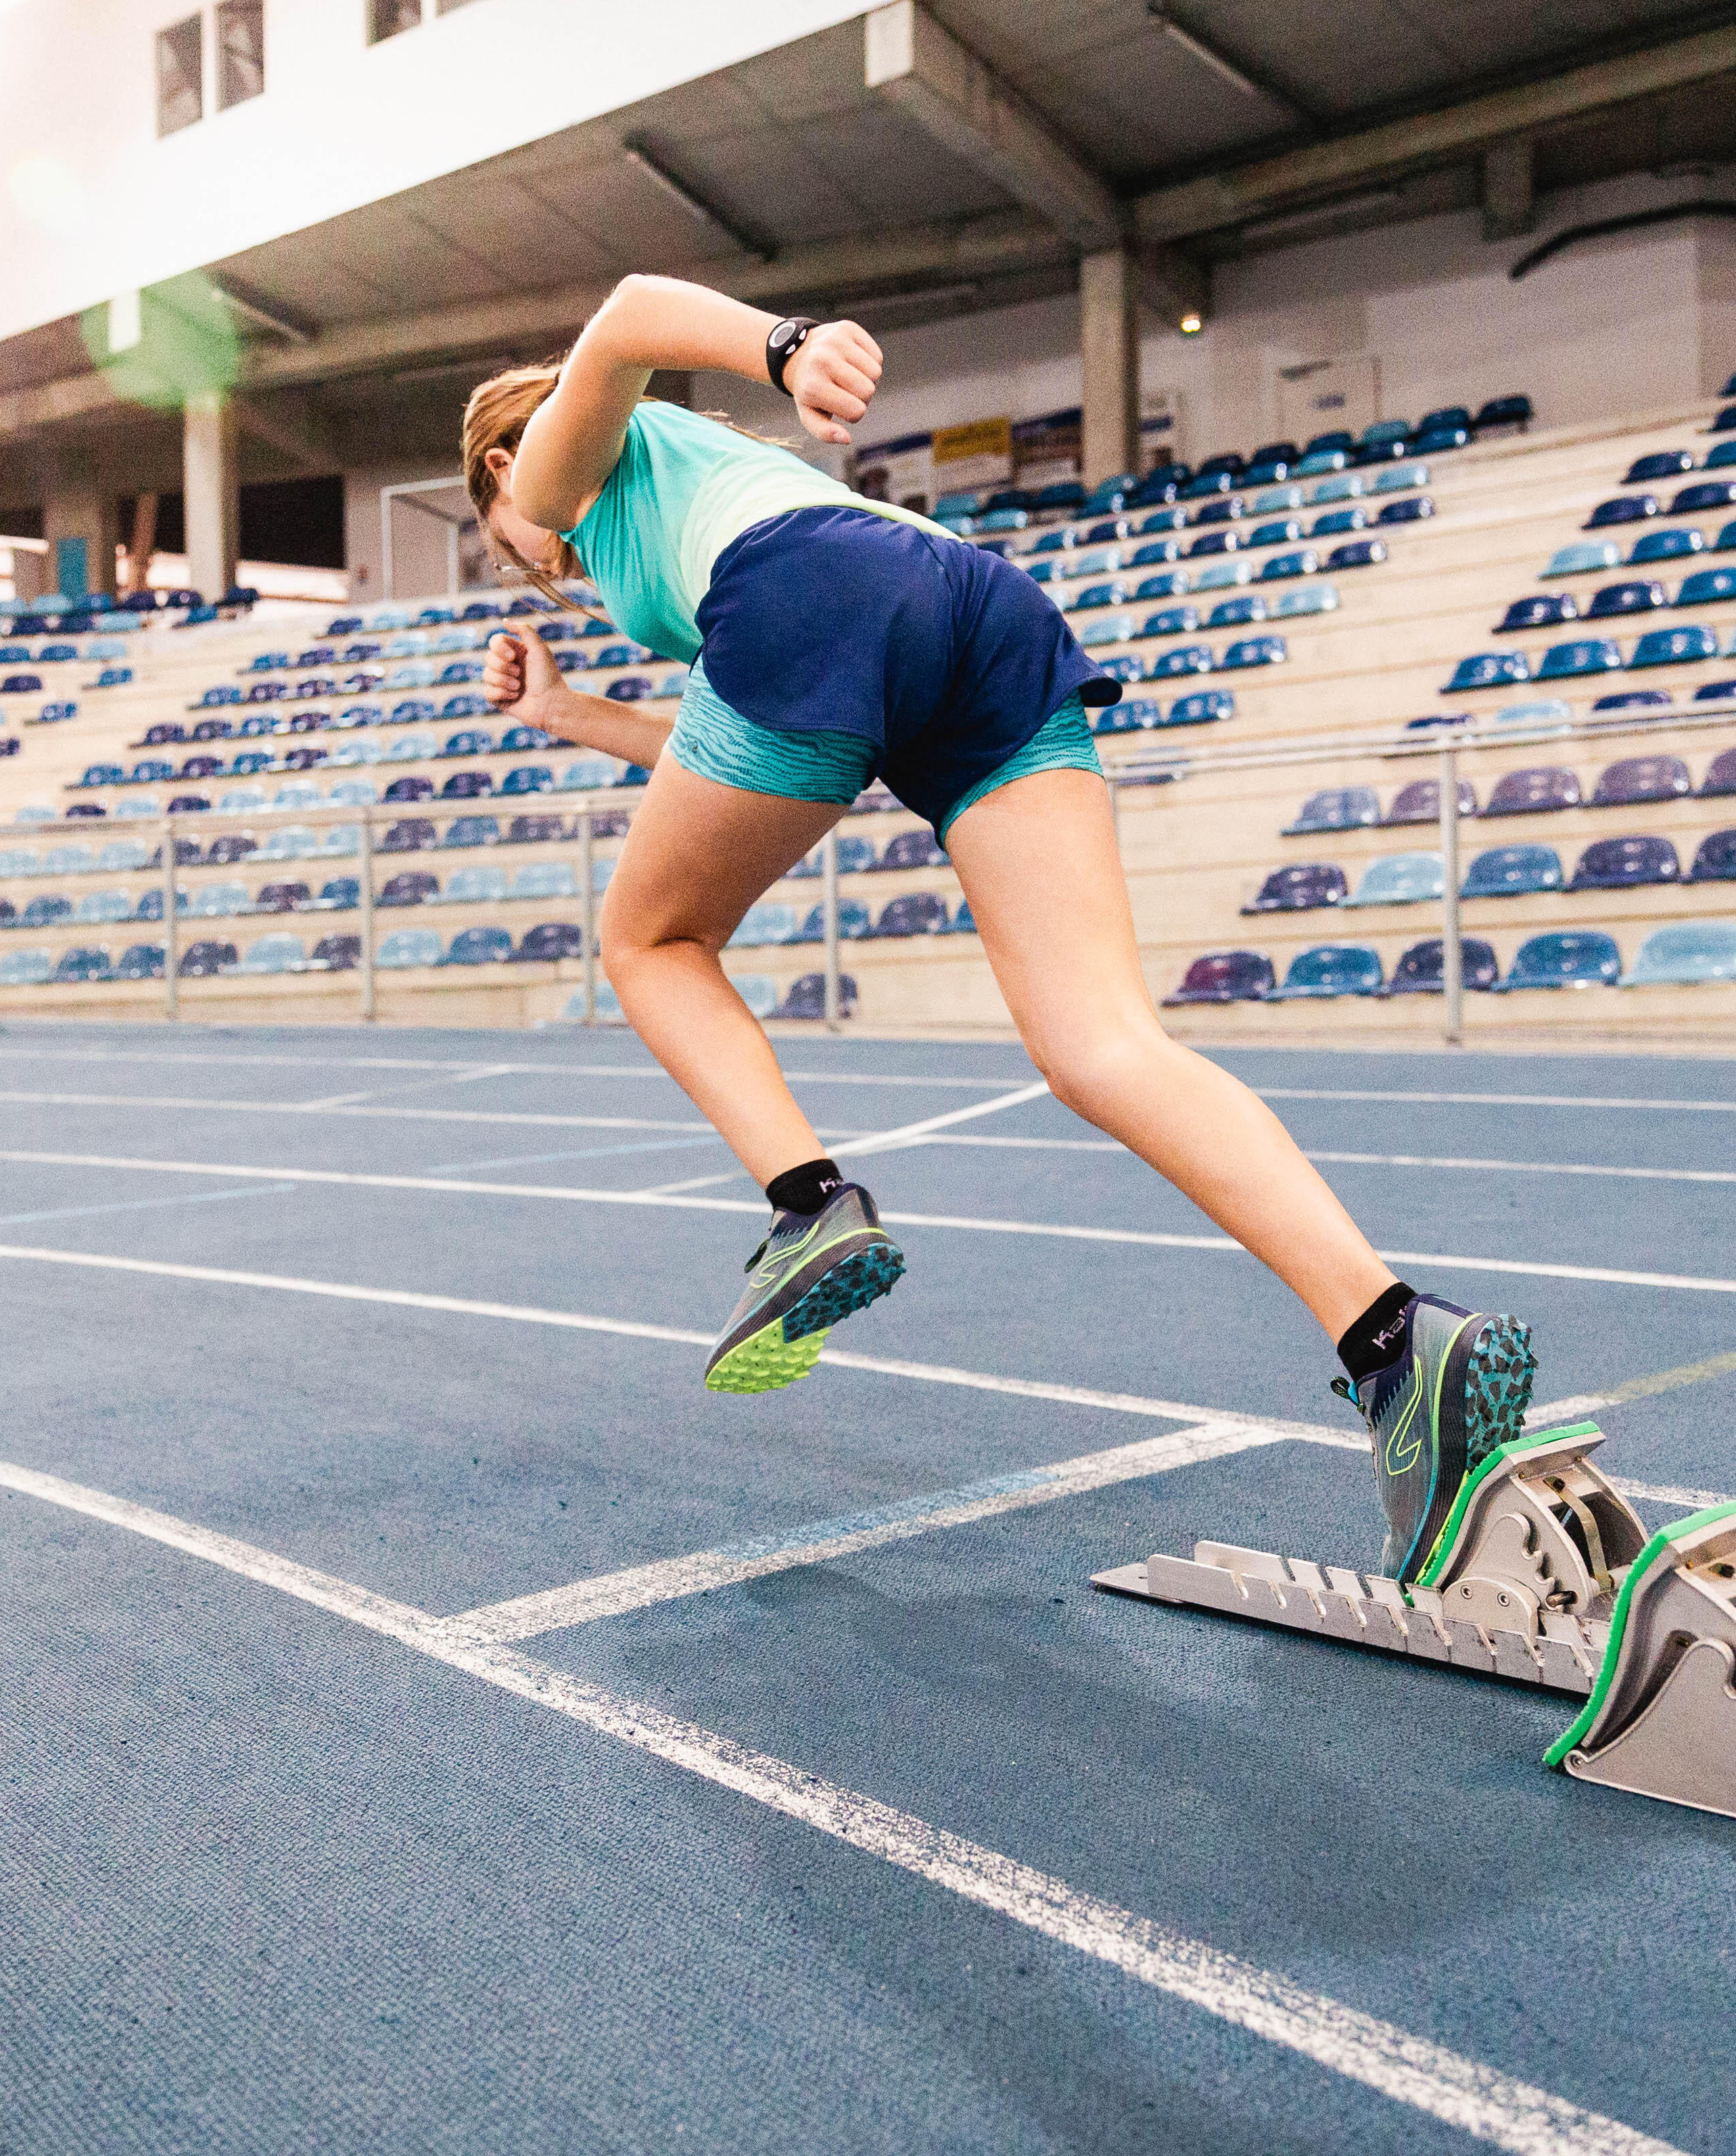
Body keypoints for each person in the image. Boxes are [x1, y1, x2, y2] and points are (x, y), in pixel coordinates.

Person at [461, 273, 1539, 1584]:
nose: (530, 562)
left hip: (816, 611)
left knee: (647, 945)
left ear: (506, 469)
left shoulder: (560, 477)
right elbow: (754, 743)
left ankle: (810, 1205)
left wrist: (786, 350)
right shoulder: (702, 499)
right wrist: (569, 716)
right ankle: (1394, 1339)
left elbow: (627, 312)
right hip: (969, 614)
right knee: (1101, 1046)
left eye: (500, 540)